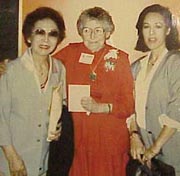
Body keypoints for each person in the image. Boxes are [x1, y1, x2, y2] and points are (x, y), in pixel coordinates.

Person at [53, 7, 134, 176]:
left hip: (109, 140)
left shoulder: (120, 58)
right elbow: (43, 68)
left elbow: (128, 105)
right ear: (80, 32)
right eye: (86, 30)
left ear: (107, 33)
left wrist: (101, 107)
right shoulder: (70, 52)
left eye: (98, 30)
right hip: (78, 139)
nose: (92, 35)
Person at [0, 7, 67, 176]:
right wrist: (12, 157)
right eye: (40, 32)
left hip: (43, 161)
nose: (46, 39)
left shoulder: (59, 69)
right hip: (12, 162)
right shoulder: (10, 70)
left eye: (52, 34)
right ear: (29, 37)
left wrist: (58, 126)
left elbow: (60, 105)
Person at [127, 4, 180, 176]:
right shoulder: (136, 66)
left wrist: (154, 148)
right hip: (144, 148)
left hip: (172, 149)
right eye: (146, 27)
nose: (151, 33)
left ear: (167, 30)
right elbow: (130, 106)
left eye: (158, 27)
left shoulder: (175, 62)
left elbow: (176, 111)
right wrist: (134, 135)